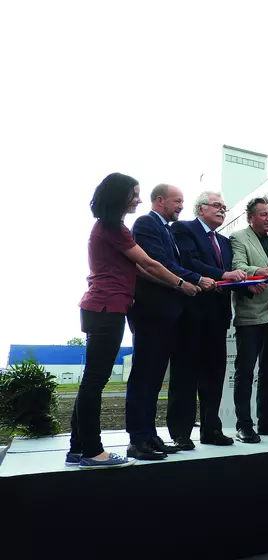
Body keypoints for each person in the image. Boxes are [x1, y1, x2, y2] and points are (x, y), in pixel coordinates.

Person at [68, 174, 199, 469]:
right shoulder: (113, 228)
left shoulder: (111, 228)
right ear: (120, 197)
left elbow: (140, 271)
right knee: (95, 381)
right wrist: (182, 284)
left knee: (92, 380)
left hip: (103, 308)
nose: (139, 199)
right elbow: (149, 263)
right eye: (134, 194)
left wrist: (177, 282)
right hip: (107, 308)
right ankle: (92, 451)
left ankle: (77, 449)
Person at [126, 184, 213, 461]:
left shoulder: (166, 229)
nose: (181, 206)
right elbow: (157, 262)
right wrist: (194, 279)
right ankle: (138, 439)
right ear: (160, 200)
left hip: (168, 315)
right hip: (152, 311)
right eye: (177, 201)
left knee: (153, 379)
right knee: (144, 376)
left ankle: (150, 435)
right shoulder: (146, 223)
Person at [166, 191, 247, 450]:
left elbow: (232, 276)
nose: (222, 210)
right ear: (200, 209)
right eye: (216, 205)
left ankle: (212, 429)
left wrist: (250, 283)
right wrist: (225, 274)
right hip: (191, 315)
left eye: (224, 206)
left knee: (214, 375)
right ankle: (181, 432)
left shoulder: (224, 242)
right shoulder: (183, 229)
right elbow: (190, 261)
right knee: (185, 374)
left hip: (218, 316)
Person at [230, 196, 268, 443]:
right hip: (251, 315)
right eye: (263, 214)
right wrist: (257, 272)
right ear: (251, 217)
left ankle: (266, 420)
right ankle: (243, 424)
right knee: (245, 372)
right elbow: (238, 266)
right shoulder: (238, 238)